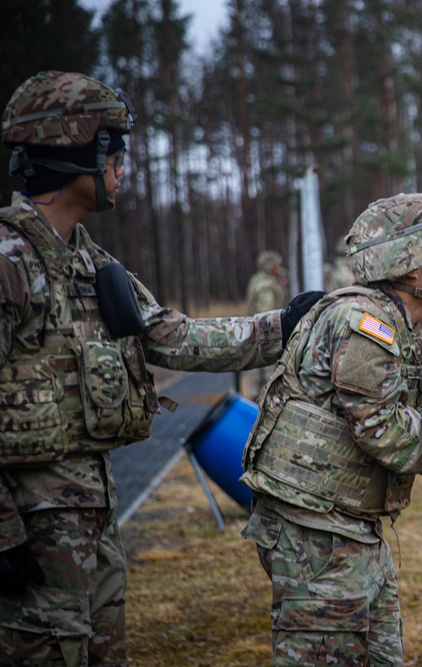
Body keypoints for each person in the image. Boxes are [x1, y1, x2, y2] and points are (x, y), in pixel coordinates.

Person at [0, 70, 322, 665]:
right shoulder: (10, 264)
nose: (123, 165)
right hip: (28, 530)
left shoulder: (92, 265)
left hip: (91, 517)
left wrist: (284, 324)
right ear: (76, 151)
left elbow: (174, 338)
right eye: (113, 150)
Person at [240, 193, 422, 666]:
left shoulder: (402, 323)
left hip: (349, 526)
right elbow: (381, 429)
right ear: (410, 265)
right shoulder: (365, 324)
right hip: (317, 532)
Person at [246, 250, 290, 394]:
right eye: (277, 265)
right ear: (270, 267)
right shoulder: (266, 286)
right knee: (268, 379)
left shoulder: (259, 280)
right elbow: (267, 316)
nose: (280, 268)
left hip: (256, 336)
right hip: (266, 338)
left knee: (257, 377)